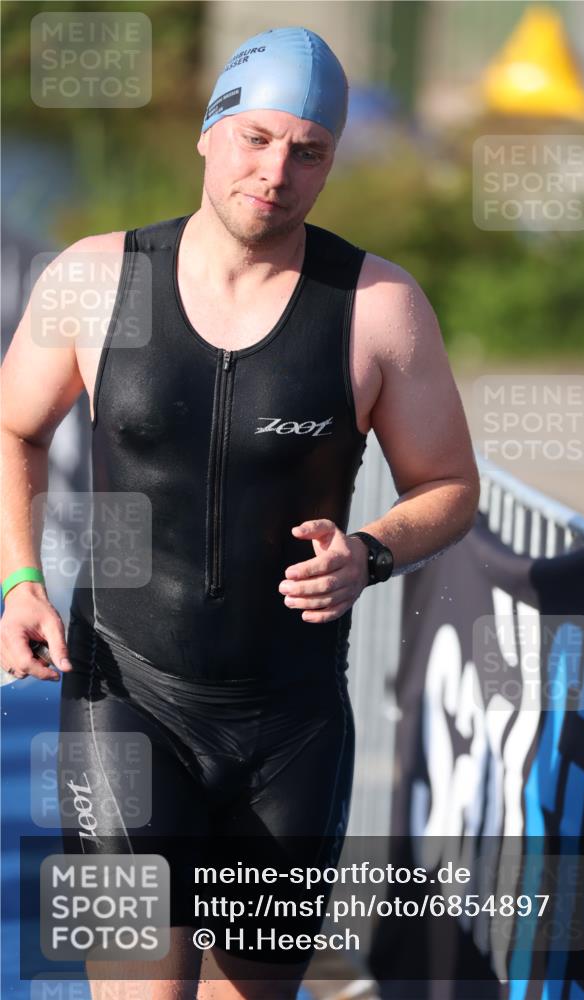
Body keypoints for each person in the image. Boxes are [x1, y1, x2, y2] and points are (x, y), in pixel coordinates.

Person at [0, 26, 479, 1000]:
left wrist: (373, 552)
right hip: (122, 699)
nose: (277, 171)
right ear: (210, 134)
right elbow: (12, 430)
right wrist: (18, 580)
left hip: (288, 725)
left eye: (309, 151)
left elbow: (451, 486)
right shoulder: (100, 280)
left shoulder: (374, 304)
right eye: (257, 137)